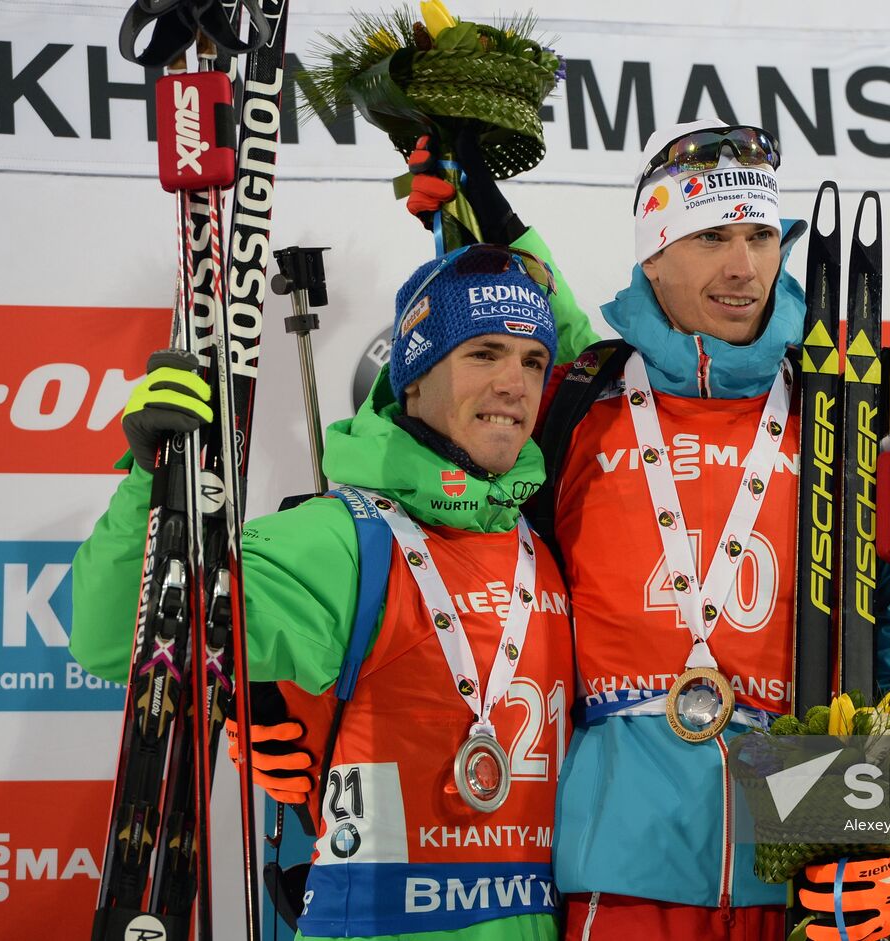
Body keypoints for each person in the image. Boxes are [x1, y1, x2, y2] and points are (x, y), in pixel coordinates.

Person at [534, 121, 890, 941]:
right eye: (711, 237)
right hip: (623, 881)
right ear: (653, 253)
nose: (744, 266)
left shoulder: (855, 413)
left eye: (762, 235)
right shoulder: (574, 406)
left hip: (813, 874)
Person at [71, 245, 580, 941]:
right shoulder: (345, 540)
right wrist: (153, 480)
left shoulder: (545, 546)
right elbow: (113, 637)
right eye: (484, 353)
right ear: (414, 378)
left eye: (532, 361)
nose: (515, 384)